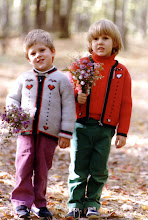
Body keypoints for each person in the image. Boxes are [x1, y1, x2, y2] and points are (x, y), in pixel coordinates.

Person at [65, 19, 132, 219]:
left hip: (105, 129)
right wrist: (78, 97)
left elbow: (126, 103)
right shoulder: (80, 66)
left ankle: (92, 202)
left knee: (99, 168)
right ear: (90, 43)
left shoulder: (121, 72)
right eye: (95, 38)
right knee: (78, 166)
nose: (100, 42)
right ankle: (75, 203)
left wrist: (122, 132)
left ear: (115, 43)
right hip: (81, 126)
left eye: (105, 38)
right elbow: (67, 94)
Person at [6, 29, 76, 220]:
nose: (38, 55)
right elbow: (12, 98)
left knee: (42, 168)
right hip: (26, 131)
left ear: (52, 51)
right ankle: (21, 203)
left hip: (49, 133)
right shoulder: (24, 78)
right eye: (33, 53)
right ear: (28, 58)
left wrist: (66, 132)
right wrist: (14, 113)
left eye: (42, 50)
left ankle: (39, 203)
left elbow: (69, 107)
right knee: (23, 165)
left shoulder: (62, 80)